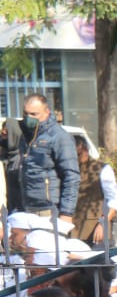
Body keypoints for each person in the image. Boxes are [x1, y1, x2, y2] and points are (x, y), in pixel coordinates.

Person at [16, 94, 79, 222]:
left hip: (49, 210)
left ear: (47, 112)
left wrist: (67, 212)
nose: (29, 118)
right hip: (27, 207)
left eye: (34, 114)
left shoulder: (58, 136)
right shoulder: (26, 136)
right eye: (26, 113)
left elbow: (71, 176)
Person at [69, 135, 117, 245]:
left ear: (84, 149)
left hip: (96, 232)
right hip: (72, 231)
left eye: (78, 153)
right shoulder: (67, 170)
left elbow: (114, 201)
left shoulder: (102, 169)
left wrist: (103, 223)